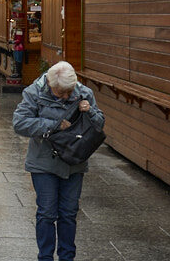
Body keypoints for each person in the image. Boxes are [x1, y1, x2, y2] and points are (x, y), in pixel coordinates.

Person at [12, 61, 105, 261]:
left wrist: (89, 111)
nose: (65, 96)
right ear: (49, 83)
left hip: (74, 162)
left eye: (68, 91)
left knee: (69, 213)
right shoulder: (34, 93)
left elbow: (99, 124)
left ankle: (67, 257)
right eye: (60, 92)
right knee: (46, 213)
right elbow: (19, 123)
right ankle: (45, 257)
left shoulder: (84, 93)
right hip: (44, 162)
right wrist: (54, 125)